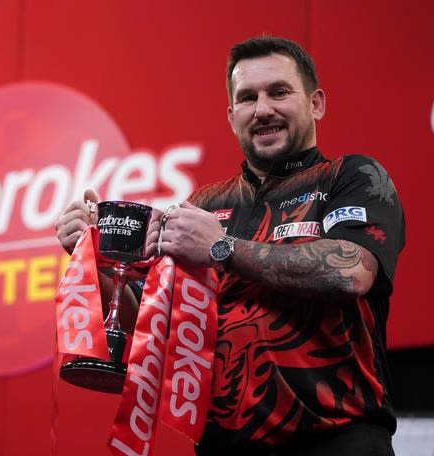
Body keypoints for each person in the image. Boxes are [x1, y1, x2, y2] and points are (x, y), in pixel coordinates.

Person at [55, 36, 404, 455]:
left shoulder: (351, 177)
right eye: (247, 98)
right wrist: (95, 260)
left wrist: (222, 248)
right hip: (223, 445)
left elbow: (351, 273)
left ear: (316, 104)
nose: (263, 109)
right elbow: (151, 325)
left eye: (279, 92)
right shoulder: (205, 205)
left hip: (337, 438)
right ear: (231, 115)